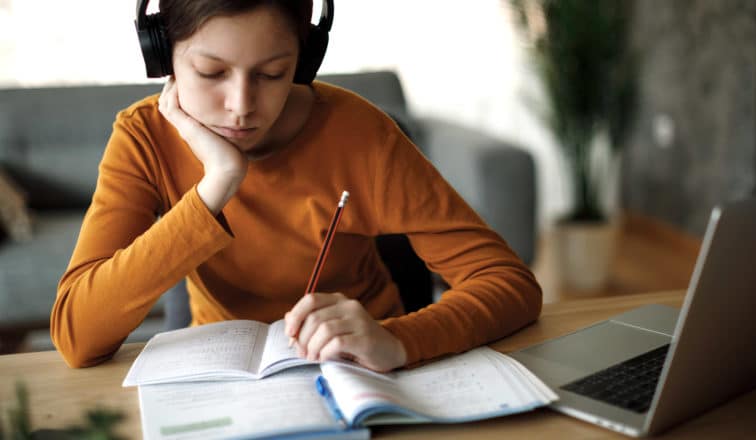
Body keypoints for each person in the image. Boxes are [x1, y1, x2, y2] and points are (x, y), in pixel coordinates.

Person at [50, 0, 542, 370]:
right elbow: (77, 334)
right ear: (163, 55)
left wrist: (398, 341)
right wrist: (217, 184)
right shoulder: (143, 138)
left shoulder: (361, 135)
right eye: (210, 72)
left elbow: (509, 284)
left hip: (358, 366)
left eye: (271, 73)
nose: (241, 105)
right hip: (221, 379)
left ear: (303, 62)